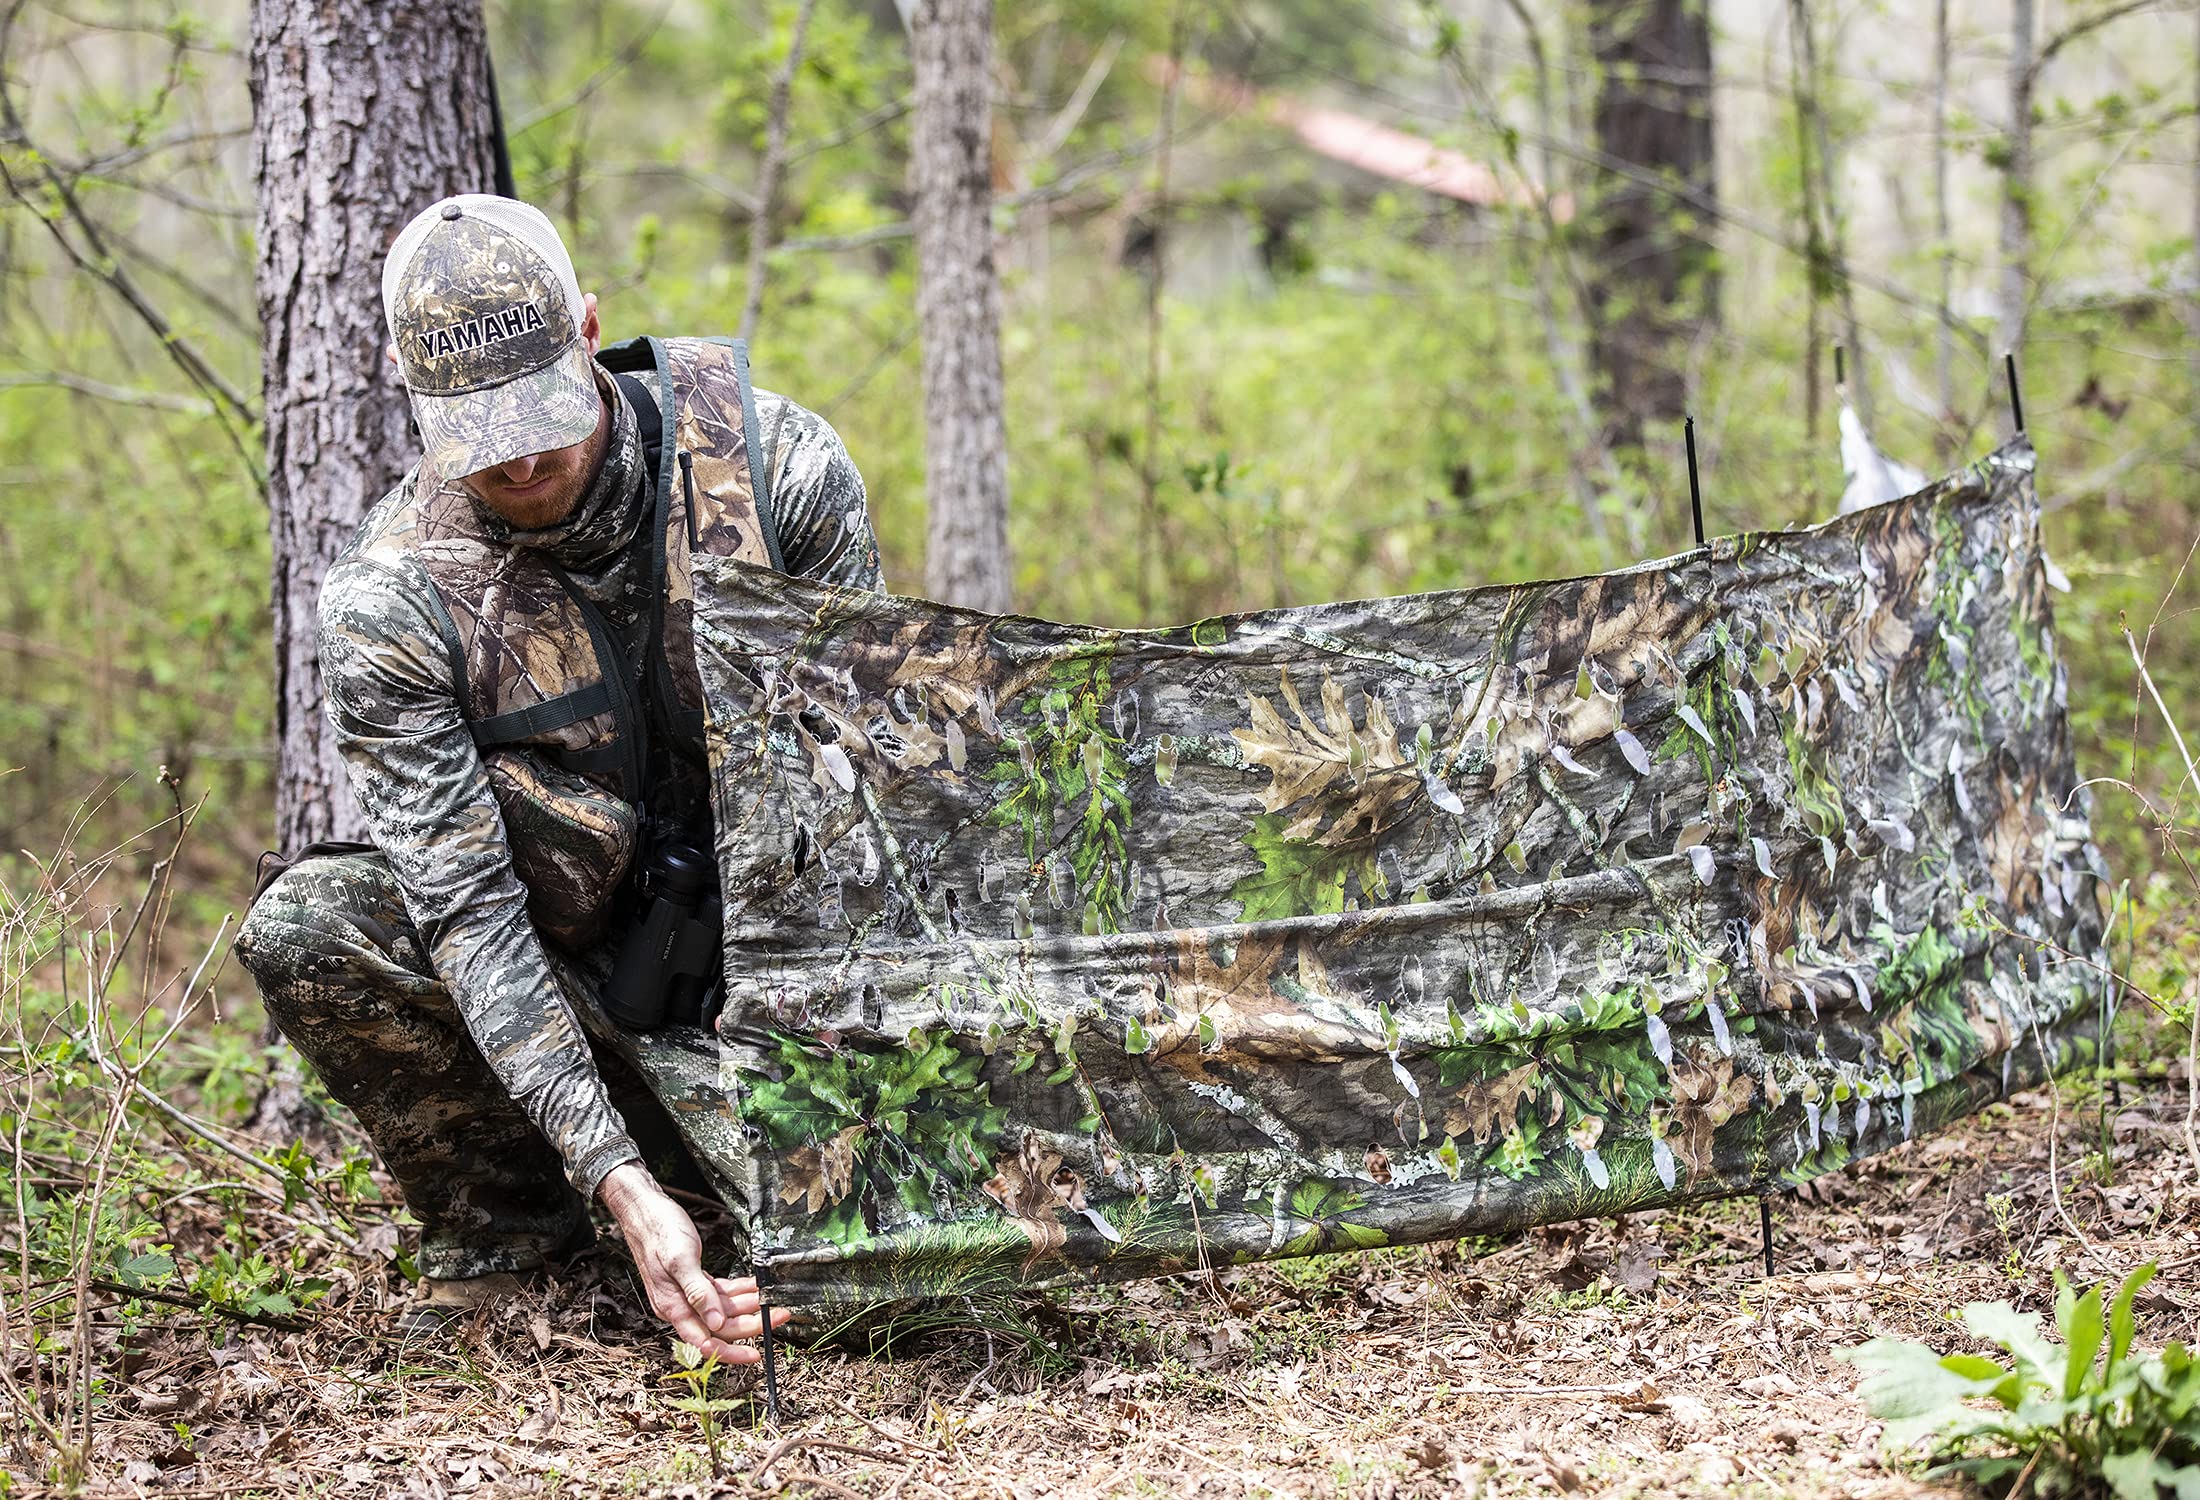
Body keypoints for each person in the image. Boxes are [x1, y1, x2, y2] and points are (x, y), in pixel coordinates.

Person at [235, 194, 882, 1359]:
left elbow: (872, 818)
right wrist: (619, 1182)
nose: (524, 458)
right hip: (570, 987)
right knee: (313, 925)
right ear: (410, 395)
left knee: (919, 1292)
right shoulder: (390, 603)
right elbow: (471, 917)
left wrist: (830, 1107)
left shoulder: (780, 473)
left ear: (587, 327)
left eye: (540, 412)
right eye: (481, 432)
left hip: (782, 992)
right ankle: (521, 1243)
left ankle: (768, 1199)